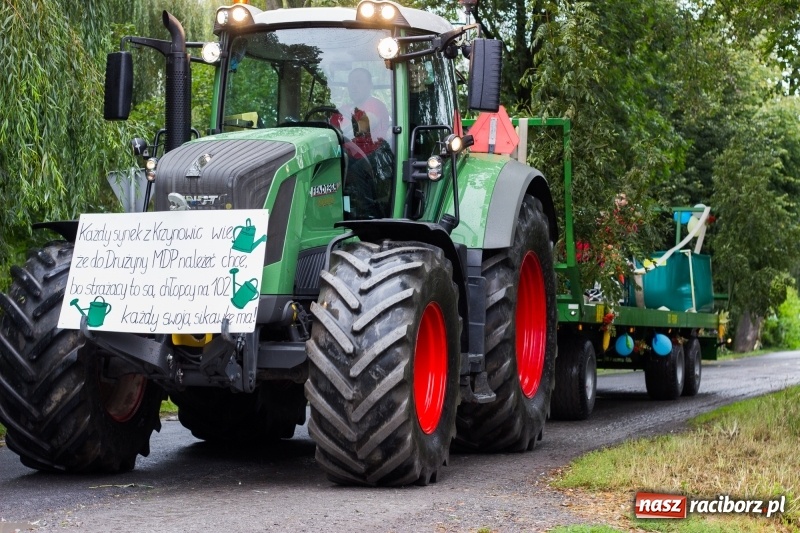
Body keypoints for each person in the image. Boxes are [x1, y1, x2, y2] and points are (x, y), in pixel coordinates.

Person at [331, 68, 393, 219]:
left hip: (376, 159)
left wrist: (342, 126)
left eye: (359, 82)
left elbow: (361, 127)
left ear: (370, 85)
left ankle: (367, 218)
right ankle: (339, 212)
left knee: (355, 170)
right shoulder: (345, 108)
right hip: (349, 156)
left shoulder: (374, 105)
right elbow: (331, 130)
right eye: (351, 83)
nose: (354, 86)